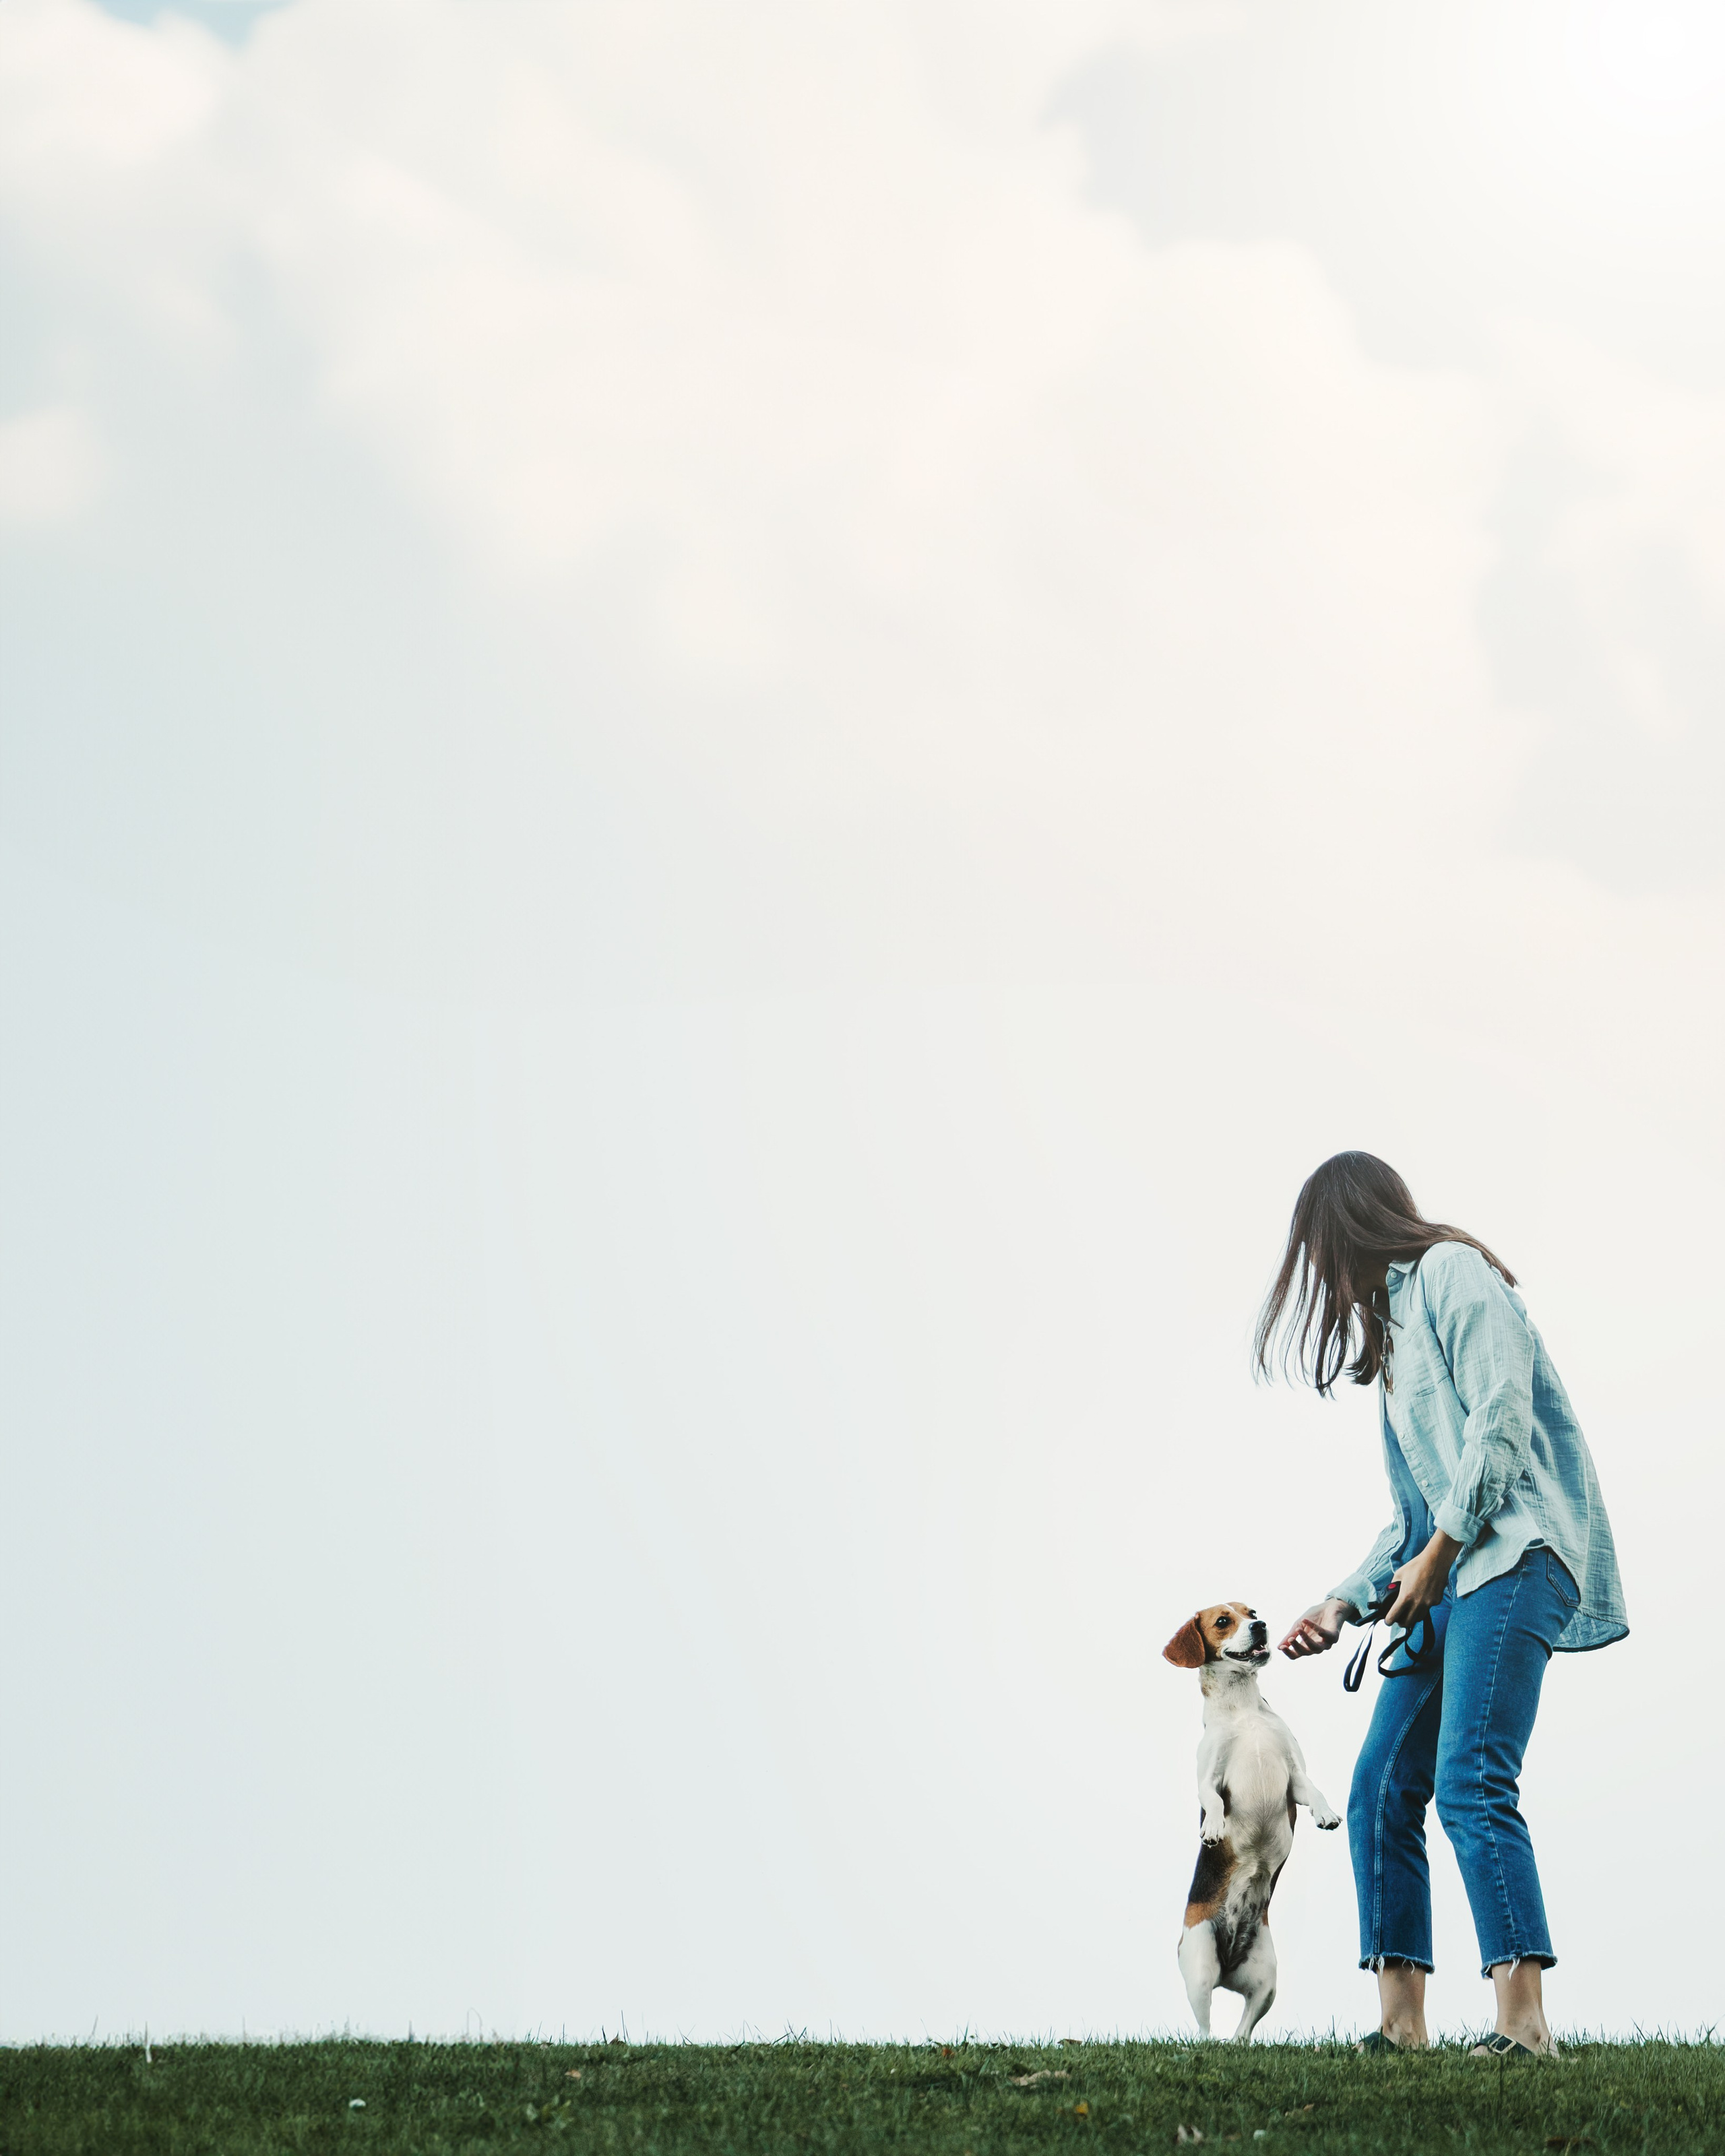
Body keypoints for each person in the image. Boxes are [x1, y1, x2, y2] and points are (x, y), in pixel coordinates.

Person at [1259, 1152, 1625, 2058]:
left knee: (1471, 1779)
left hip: (1516, 1556)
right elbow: (1412, 1519)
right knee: (1381, 1787)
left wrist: (1442, 1551)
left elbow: (1500, 1422)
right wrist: (1342, 1602)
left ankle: (1524, 2025)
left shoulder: (1452, 1274)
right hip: (1451, 1572)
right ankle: (1401, 2029)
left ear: (1348, 1229)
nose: (1320, 1275)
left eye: (1319, 1250)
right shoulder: (1390, 1348)